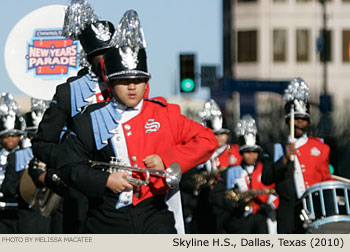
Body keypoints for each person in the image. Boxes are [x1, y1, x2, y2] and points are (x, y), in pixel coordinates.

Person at [54, 9, 218, 234]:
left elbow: (207, 139)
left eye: (138, 80)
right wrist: (105, 180)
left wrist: (166, 159)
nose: (132, 86)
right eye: (124, 81)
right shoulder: (89, 119)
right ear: (110, 83)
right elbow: (68, 166)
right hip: (106, 214)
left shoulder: (165, 114)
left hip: (154, 211)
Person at [30, 0, 115, 233]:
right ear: (89, 56)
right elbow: (42, 143)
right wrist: (70, 165)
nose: (107, 59)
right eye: (101, 54)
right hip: (81, 194)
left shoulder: (131, 87)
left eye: (112, 52)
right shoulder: (70, 92)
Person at [261, 77, 332, 234]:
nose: (300, 123)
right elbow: (266, 178)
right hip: (287, 212)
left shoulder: (321, 147)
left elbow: (326, 179)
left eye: (304, 119)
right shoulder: (275, 149)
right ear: (288, 121)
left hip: (315, 209)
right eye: (296, 119)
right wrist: (285, 158)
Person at [209, 115, 278, 234]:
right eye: (247, 152)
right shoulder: (230, 172)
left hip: (262, 218)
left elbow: (275, 191)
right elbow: (216, 196)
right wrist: (234, 203)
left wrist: (270, 206)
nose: (251, 155)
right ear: (241, 153)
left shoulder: (265, 169)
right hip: (238, 220)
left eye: (254, 152)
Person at [186, 99, 241, 233]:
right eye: (216, 134)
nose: (220, 137)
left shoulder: (236, 152)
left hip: (230, 205)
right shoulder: (198, 152)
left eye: (223, 133)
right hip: (204, 205)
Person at [1, 98, 53, 233]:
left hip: (51, 216)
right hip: (27, 215)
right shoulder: (17, 157)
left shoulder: (60, 155)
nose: (11, 139)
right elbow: (8, 188)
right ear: (29, 136)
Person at [0, 93, 25, 233]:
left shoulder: (27, 156)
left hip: (20, 211)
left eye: (14, 135)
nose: (10, 139)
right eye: (5, 135)